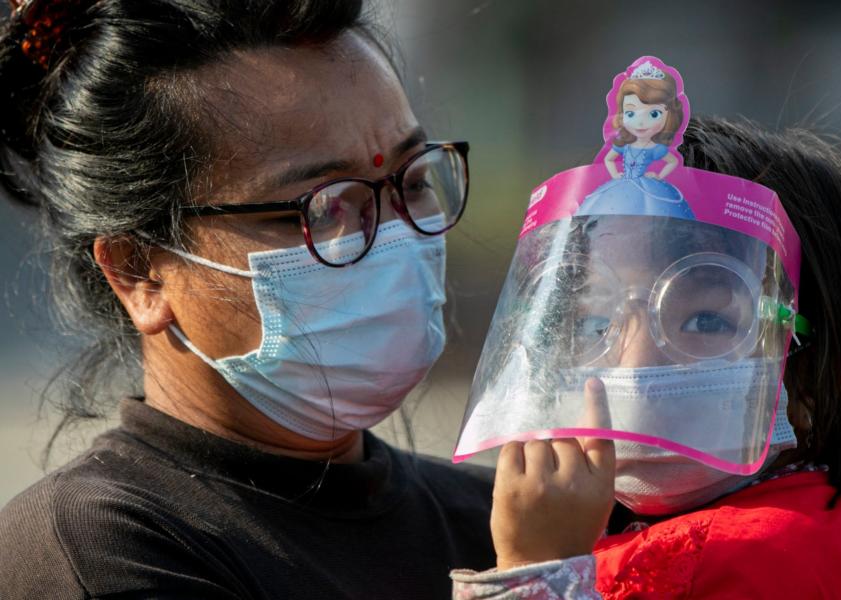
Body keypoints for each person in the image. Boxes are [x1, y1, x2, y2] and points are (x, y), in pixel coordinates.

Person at [0, 1, 495, 597]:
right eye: (326, 206)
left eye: (413, 183)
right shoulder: (101, 551)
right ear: (139, 273)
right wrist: (535, 578)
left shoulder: (499, 514)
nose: (395, 238)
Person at [451, 115, 841, 599]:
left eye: (706, 321)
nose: (635, 363)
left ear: (814, 377)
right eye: (595, 324)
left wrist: (536, 574)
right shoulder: (611, 530)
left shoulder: (774, 554)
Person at [575, 60, 694, 220]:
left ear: (669, 115)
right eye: (631, 113)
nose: (640, 122)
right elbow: (609, 160)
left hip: (648, 189)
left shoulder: (654, 148)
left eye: (654, 114)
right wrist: (615, 175)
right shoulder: (624, 145)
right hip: (619, 188)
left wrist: (658, 176)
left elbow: (672, 161)